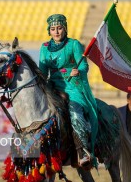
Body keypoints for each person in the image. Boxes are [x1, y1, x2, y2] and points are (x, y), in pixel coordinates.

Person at [38, 14, 98, 168]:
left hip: (73, 86)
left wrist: (78, 70)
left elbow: (84, 66)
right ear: (49, 31)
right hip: (53, 86)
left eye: (59, 28)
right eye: (53, 29)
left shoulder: (74, 44)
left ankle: (83, 151)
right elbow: (42, 72)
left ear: (65, 29)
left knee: (75, 114)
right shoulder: (44, 48)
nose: (56, 32)